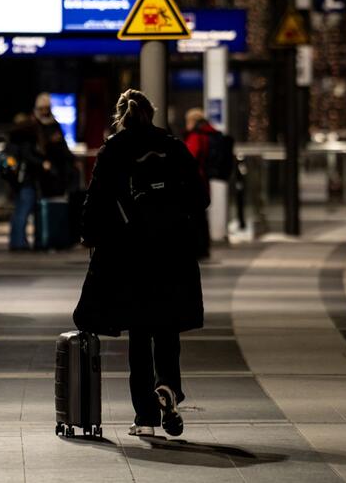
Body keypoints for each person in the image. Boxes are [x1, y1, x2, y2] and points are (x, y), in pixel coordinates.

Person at [77, 89, 208, 438]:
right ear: (152, 113)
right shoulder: (174, 146)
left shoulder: (113, 149)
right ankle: (168, 387)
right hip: (172, 251)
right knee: (167, 326)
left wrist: (89, 234)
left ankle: (146, 416)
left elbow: (96, 198)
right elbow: (201, 197)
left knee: (139, 332)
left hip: (130, 252)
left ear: (120, 116)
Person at [6, 113, 44, 251]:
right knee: (23, 212)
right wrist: (42, 162)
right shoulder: (26, 139)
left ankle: (15, 240)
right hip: (26, 180)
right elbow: (29, 156)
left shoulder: (13, 138)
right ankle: (19, 242)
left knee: (18, 212)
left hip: (16, 180)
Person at [182, 108, 215, 259]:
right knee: (201, 215)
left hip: (195, 181)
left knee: (195, 216)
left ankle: (199, 248)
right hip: (204, 180)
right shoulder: (208, 133)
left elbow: (190, 157)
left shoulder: (196, 136)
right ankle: (204, 247)